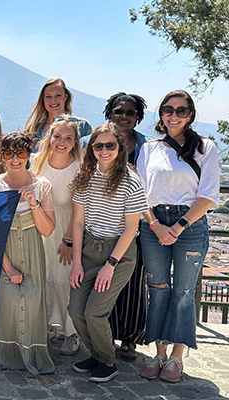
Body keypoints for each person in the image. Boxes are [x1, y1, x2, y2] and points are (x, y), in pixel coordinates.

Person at [137, 90, 220, 383]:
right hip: (154, 223)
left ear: (191, 115)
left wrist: (179, 225)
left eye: (181, 111)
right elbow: (139, 193)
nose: (174, 115)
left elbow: (208, 195)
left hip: (191, 224)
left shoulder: (205, 148)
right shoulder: (149, 148)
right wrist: (156, 224)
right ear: (161, 115)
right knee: (157, 287)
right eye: (168, 110)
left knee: (184, 292)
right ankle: (159, 352)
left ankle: (177, 357)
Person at [0, 133, 57, 376]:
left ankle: (28, 353)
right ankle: (3, 354)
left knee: (32, 300)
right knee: (7, 300)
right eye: (9, 153)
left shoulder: (42, 185)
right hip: (2, 251)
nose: (15, 159)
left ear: (28, 155)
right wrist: (6, 266)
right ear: (1, 157)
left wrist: (34, 204)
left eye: (21, 153)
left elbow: (47, 230)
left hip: (32, 249)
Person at [68, 123, 147, 383]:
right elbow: (78, 222)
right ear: (91, 148)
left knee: (95, 312)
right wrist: (77, 262)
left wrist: (110, 265)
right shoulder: (85, 175)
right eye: (98, 145)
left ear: (119, 147)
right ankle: (97, 354)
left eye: (109, 145)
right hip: (89, 247)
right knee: (76, 310)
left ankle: (108, 362)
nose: (104, 150)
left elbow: (131, 228)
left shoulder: (131, 180)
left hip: (119, 253)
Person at [84, 93, 154, 360]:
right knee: (101, 286)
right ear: (109, 114)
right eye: (118, 111)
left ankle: (129, 337)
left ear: (138, 117)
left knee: (134, 284)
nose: (123, 116)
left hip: (135, 223)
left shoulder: (147, 147)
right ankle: (103, 336)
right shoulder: (91, 143)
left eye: (130, 112)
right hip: (102, 227)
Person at [29, 118, 83, 356]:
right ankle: (49, 326)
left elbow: (79, 209)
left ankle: (72, 333)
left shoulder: (80, 168)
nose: (62, 142)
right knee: (44, 278)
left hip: (66, 230)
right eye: (57, 136)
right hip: (39, 228)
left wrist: (69, 240)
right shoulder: (35, 163)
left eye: (68, 138)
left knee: (65, 281)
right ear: (49, 137)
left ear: (75, 142)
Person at [24, 78, 92, 151]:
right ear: (43, 100)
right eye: (48, 96)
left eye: (58, 95)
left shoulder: (82, 126)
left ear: (65, 97)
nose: (53, 100)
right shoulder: (33, 129)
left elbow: (90, 157)